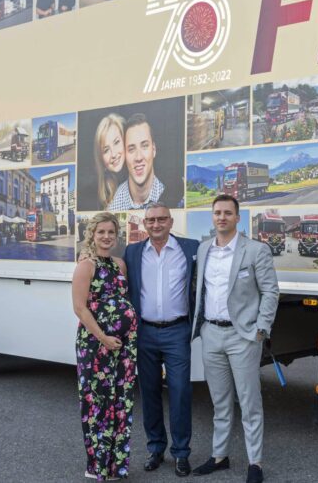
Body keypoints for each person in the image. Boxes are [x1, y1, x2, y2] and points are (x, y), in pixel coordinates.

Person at [192, 195, 279, 483]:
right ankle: (219, 456)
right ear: (212, 216)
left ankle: (255, 463)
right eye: (217, 212)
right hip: (211, 334)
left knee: (249, 403)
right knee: (220, 402)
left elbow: (270, 291)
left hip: (243, 336)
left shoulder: (255, 250)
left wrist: (261, 329)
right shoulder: (204, 249)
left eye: (228, 213)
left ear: (237, 218)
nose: (222, 217)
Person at [123, 202, 199, 477]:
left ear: (170, 222)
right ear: (145, 224)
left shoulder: (190, 249)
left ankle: (181, 453)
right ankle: (156, 448)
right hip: (144, 332)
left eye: (162, 219)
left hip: (177, 331)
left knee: (180, 392)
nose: (156, 224)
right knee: (149, 392)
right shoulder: (132, 252)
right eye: (151, 220)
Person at [72, 212, 138, 480]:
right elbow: (80, 308)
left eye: (111, 232)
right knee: (98, 403)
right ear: (92, 234)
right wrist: (103, 338)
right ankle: (96, 466)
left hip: (123, 347)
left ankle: (115, 465)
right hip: (95, 345)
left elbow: (121, 299)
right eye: (101, 232)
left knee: (121, 402)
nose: (107, 236)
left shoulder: (119, 264)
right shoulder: (86, 266)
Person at [108, 114, 166, 211]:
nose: (138, 157)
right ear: (124, 155)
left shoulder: (171, 196)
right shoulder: (113, 207)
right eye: (131, 149)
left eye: (144, 146)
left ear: (154, 150)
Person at [94, 114, 127, 210]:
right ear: (101, 159)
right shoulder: (104, 197)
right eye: (106, 150)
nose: (113, 154)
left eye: (116, 142)